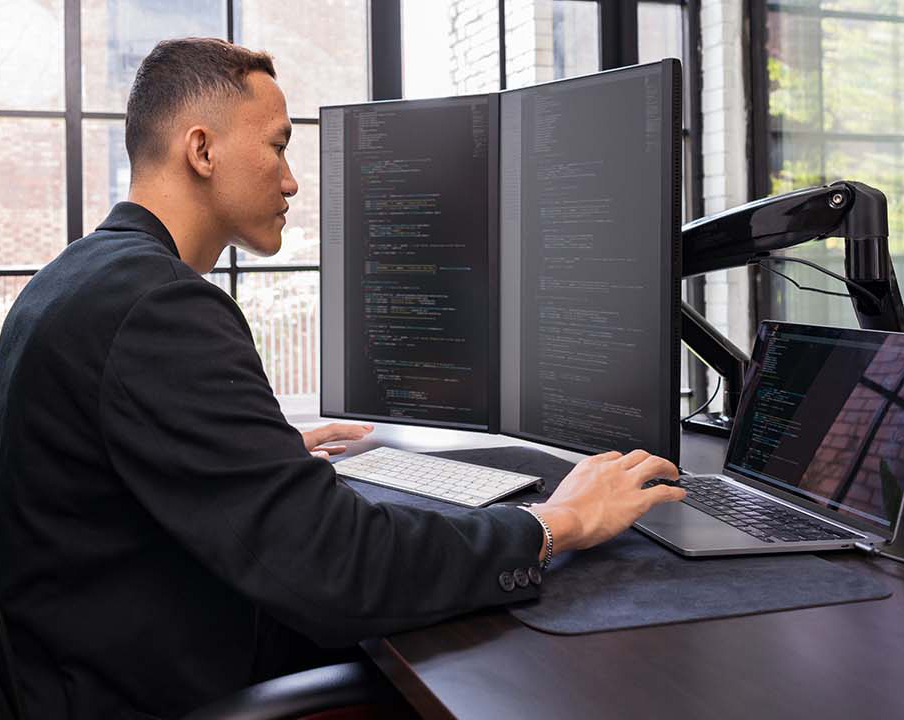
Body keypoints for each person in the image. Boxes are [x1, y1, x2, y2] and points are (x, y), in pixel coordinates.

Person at [0, 38, 684, 719]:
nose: (291, 180)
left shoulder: (75, 277)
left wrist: (252, 457)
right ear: (202, 150)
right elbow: (340, 568)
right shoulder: (159, 307)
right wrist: (557, 522)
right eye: (277, 146)